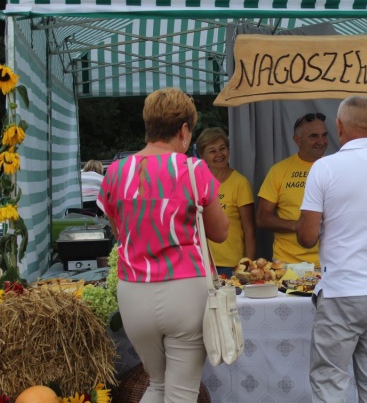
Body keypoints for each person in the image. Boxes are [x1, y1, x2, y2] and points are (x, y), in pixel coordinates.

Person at [97, 87, 229, 402]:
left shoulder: (115, 172)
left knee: (157, 384)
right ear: (184, 130)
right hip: (185, 291)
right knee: (181, 392)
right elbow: (220, 232)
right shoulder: (194, 170)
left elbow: (119, 231)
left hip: (133, 293)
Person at [296, 96, 367, 402]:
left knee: (329, 381)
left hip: (345, 290)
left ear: (338, 126)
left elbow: (306, 237)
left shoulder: (325, 168)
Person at [257, 112, 329, 267]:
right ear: (297, 140)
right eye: (314, 136)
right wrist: (297, 226)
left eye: (324, 135)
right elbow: (262, 218)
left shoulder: (336, 169)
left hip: (329, 262)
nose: (321, 141)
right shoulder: (278, 171)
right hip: (287, 263)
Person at [196, 127, 256, 276]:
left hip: (232, 266)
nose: (219, 154)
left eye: (222, 148)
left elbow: (249, 230)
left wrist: (248, 265)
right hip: (202, 264)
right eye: (212, 151)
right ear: (202, 156)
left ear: (229, 150)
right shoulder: (196, 182)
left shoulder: (240, 183)